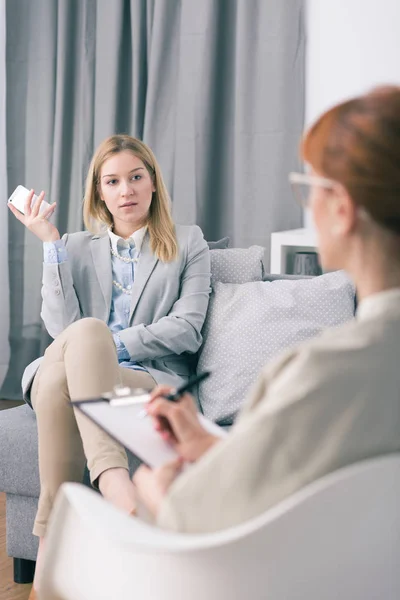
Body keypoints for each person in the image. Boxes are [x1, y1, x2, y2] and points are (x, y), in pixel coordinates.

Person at [132, 85, 400, 533]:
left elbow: (193, 515)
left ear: (342, 208)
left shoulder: (322, 371)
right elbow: (289, 473)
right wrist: (205, 441)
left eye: (310, 187)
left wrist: (154, 488)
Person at [8, 134, 211, 591]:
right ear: (99, 191)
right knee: (82, 337)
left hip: (143, 377)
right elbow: (61, 328)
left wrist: (104, 346)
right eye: (113, 181)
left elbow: (188, 327)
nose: (126, 191)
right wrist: (50, 245)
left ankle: (47, 559)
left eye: (136, 177)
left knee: (84, 347)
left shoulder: (187, 242)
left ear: (153, 183)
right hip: (70, 365)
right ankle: (114, 479)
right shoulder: (76, 247)